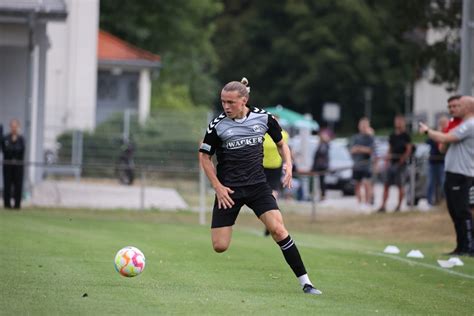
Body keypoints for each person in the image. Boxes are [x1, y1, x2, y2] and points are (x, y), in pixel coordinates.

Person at [198, 78, 322, 295]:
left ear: (243, 100)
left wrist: (289, 165)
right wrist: (217, 186)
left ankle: (307, 283)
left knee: (278, 230)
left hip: (258, 186)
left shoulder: (263, 118)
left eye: (231, 102)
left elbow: (282, 144)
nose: (226, 107)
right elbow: (204, 157)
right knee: (220, 246)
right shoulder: (217, 126)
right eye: (223, 102)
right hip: (229, 191)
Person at [419, 96, 474, 256]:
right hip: (453, 173)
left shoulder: (470, 125)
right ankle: (461, 246)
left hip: (462, 174)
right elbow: (444, 147)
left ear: (469, 107)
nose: (457, 108)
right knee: (454, 211)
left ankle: (469, 247)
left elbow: (447, 138)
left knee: (462, 211)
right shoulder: (462, 125)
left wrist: (428, 131)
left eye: (461, 105)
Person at [378, 115, 413, 212]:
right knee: (386, 184)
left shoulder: (406, 135)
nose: (398, 123)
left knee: (400, 185)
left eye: (400, 121)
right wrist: (386, 159)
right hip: (392, 162)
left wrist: (403, 158)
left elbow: (408, 149)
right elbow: (390, 148)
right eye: (396, 121)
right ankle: (383, 205)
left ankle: (399, 206)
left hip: (401, 164)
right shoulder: (392, 135)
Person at [262, 116, 289, 236]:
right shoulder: (284, 134)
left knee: (265, 194)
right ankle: (273, 209)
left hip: (263, 166)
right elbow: (284, 148)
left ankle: (270, 218)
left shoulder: (263, 133)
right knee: (273, 192)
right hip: (275, 166)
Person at [350, 117, 375, 210]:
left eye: (365, 125)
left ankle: (367, 203)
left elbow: (370, 150)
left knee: (366, 184)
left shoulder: (370, 138)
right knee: (357, 185)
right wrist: (361, 149)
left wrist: (359, 148)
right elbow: (352, 150)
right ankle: (359, 203)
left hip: (366, 165)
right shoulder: (355, 137)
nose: (363, 127)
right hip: (357, 165)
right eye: (362, 125)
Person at [2, 119, 26, 209]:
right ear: (10, 127)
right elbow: (5, 150)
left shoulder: (21, 139)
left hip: (18, 167)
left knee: (18, 185)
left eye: (15, 126)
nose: (14, 128)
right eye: (12, 126)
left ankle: (17, 205)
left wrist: (12, 149)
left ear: (18, 127)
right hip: (7, 166)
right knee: (7, 185)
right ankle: (7, 205)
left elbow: (21, 150)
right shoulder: (6, 138)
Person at [425, 115, 449, 206]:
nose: (443, 125)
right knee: (431, 183)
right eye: (441, 124)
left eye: (444, 124)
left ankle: (446, 202)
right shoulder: (435, 134)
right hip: (433, 162)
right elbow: (428, 141)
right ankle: (429, 202)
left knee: (444, 183)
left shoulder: (448, 134)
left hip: (443, 163)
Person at [311, 130, 330, 201]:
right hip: (320, 166)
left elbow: (321, 153)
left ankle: (322, 195)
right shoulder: (322, 144)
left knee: (322, 182)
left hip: (322, 167)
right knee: (320, 182)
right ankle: (321, 195)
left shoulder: (324, 145)